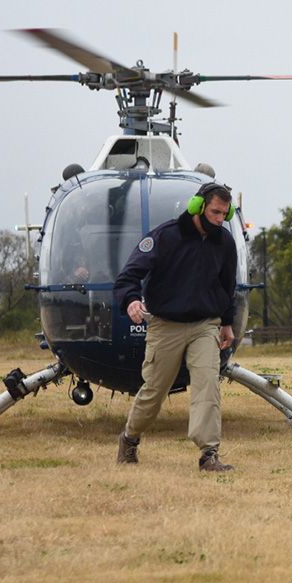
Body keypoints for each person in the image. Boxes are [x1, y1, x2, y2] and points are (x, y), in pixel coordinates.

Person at [113, 182, 239, 472]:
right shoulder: (165, 236)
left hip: (205, 325)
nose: (221, 220)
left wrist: (227, 324)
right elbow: (129, 276)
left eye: (225, 214)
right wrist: (131, 301)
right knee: (154, 391)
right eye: (215, 212)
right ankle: (130, 438)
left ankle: (209, 454)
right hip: (165, 326)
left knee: (208, 385)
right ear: (198, 207)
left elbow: (227, 287)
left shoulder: (225, 243)